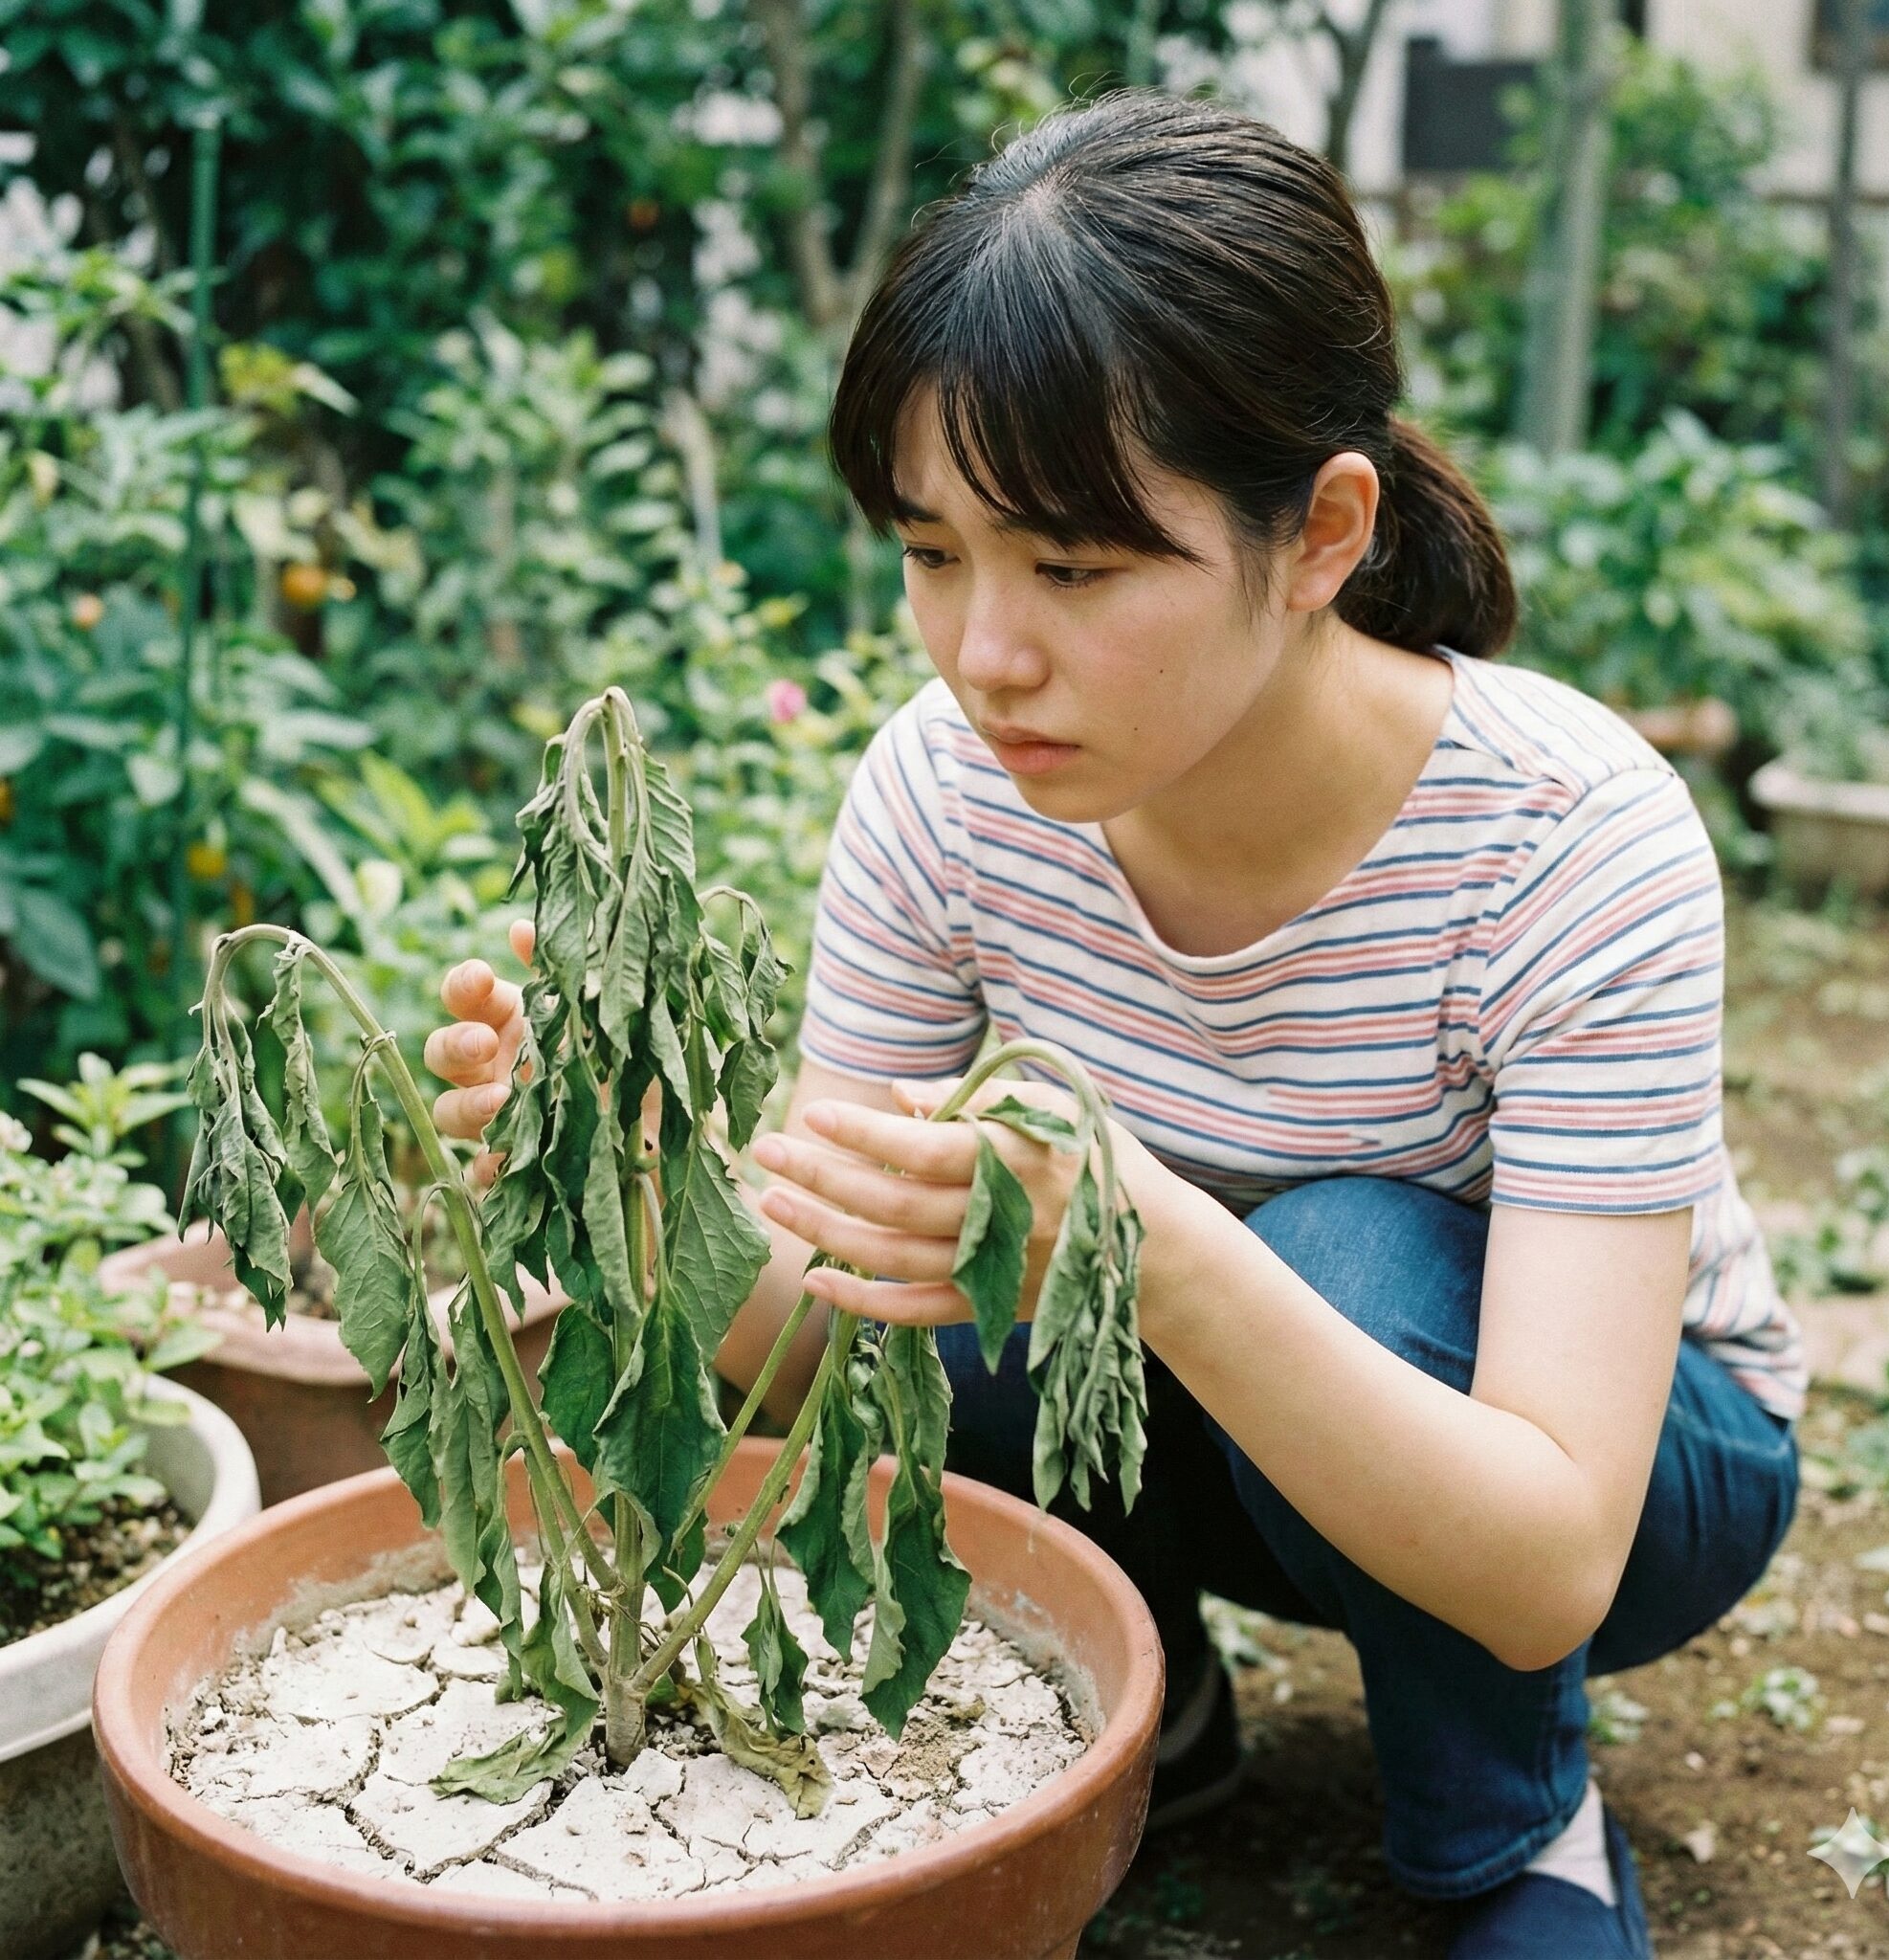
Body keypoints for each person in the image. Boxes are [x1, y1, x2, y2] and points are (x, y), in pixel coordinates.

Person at [427, 90, 1807, 1960]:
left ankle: (1513, 1834)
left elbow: (1554, 1546)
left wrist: (1148, 1246)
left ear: (1318, 532)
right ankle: (1165, 1703)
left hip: (1624, 1481)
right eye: (932, 553)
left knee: (1333, 1240)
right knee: (951, 1243)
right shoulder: (942, 793)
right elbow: (826, 1340)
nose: (985, 652)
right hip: (1236, 1430)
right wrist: (636, 1188)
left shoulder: (1565, 839)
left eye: (1073, 569)